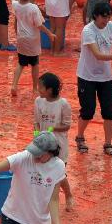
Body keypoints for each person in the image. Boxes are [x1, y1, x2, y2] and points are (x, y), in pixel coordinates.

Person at [74, 1, 112, 156]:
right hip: (87, 76)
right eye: (103, 17)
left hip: (106, 77)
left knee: (109, 111)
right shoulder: (88, 31)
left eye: (108, 17)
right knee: (88, 111)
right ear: (95, 16)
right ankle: (80, 136)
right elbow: (98, 55)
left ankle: (108, 143)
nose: (106, 20)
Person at [34, 72, 74, 210]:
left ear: (50, 90)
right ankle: (46, 200)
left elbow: (67, 125)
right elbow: (36, 122)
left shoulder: (63, 104)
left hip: (59, 146)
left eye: (41, 87)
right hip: (43, 144)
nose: (38, 89)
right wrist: (36, 136)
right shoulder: (38, 101)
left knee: (59, 174)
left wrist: (52, 128)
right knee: (42, 172)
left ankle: (68, 195)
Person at [11, 0, 55, 96]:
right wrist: (49, 33)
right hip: (32, 39)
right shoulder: (33, 8)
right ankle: (35, 88)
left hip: (21, 37)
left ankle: (14, 85)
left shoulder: (15, 5)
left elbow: (15, 20)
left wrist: (16, 32)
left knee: (21, 63)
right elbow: (39, 25)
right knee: (35, 64)